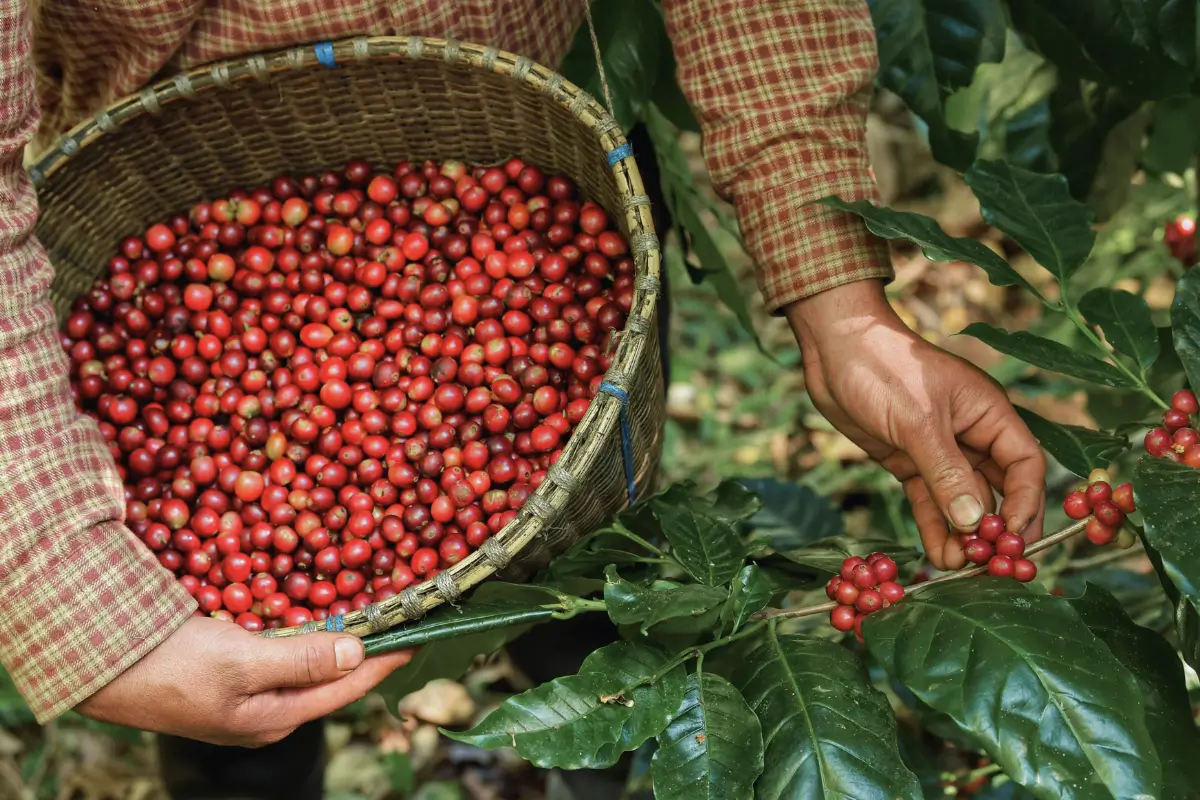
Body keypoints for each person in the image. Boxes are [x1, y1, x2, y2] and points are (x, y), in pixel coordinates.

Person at [0, 0, 1046, 782]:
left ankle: (590, 738)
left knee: (593, 597)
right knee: (236, 715)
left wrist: (841, 300)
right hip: (172, 144)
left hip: (536, 113)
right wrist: (72, 591)